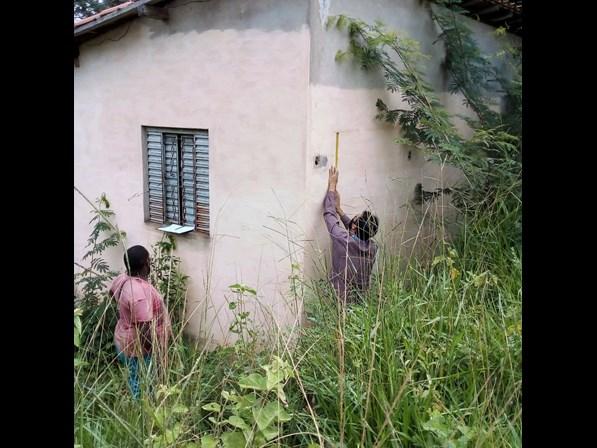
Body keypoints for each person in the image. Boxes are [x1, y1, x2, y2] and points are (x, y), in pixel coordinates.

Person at [109, 245, 170, 400]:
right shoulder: (139, 294)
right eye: (149, 261)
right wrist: (154, 352)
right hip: (138, 348)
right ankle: (143, 413)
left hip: (123, 339)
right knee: (142, 383)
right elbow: (144, 328)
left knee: (134, 377)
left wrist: (125, 315)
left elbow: (111, 294)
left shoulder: (122, 279)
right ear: (145, 264)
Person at [323, 166, 379, 304]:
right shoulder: (372, 248)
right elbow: (356, 231)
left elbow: (329, 216)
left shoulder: (342, 240)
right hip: (360, 301)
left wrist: (332, 186)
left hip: (340, 301)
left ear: (354, 226)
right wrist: (340, 210)